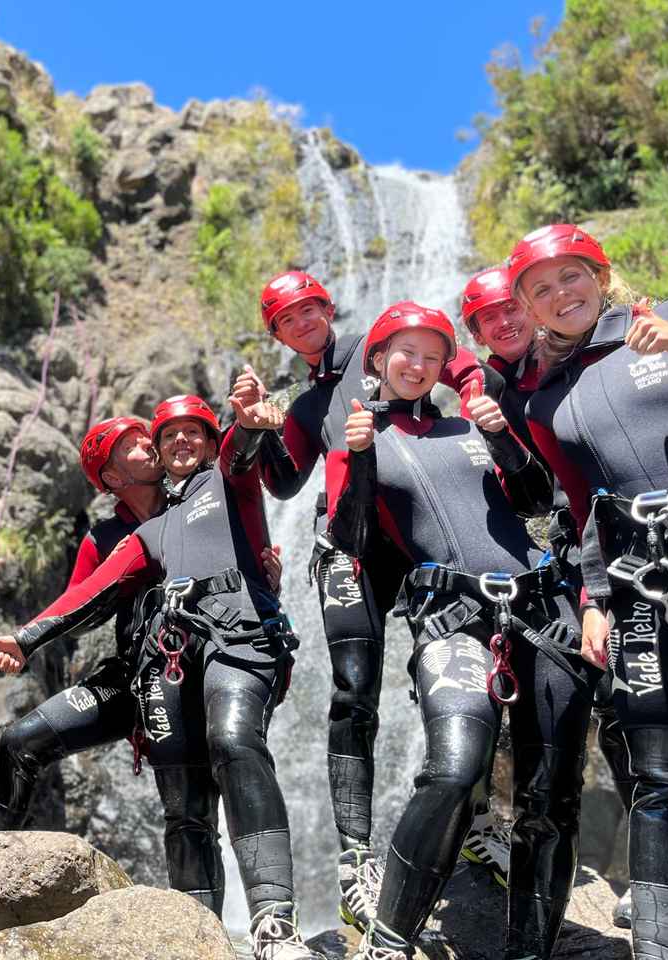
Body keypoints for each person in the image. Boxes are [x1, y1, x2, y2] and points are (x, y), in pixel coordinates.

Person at [0, 393, 321, 960]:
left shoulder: (219, 484)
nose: (159, 444)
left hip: (232, 643)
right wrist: (25, 638)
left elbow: (240, 458)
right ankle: (198, 937)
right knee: (183, 804)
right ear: (112, 474)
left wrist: (250, 426)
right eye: (155, 439)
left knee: (233, 741)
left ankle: (273, 924)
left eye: (180, 435)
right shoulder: (125, 536)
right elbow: (86, 595)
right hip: (149, 669)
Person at [329, 302, 592, 960]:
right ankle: (389, 942)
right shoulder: (361, 435)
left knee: (552, 799)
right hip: (453, 619)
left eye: (431, 354)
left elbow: (535, 499)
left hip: (541, 613)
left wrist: (502, 436)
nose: (418, 365)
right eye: (405, 352)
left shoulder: (468, 426)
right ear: (379, 359)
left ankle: (530, 951)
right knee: (451, 769)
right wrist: (359, 459)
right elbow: (350, 539)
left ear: (447, 365)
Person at [514, 223, 668, 960]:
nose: (560, 295)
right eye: (541, 289)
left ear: (601, 274)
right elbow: (586, 505)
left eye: (571, 276)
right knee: (660, 770)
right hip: (645, 577)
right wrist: (594, 598)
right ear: (530, 310)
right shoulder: (545, 402)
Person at [249, 271, 499, 931]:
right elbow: (281, 481)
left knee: (459, 676)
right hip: (348, 547)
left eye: (311, 310)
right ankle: (356, 861)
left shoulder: (384, 343)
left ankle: (474, 822)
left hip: (421, 538)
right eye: (287, 318)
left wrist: (473, 392)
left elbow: (458, 360)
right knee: (354, 692)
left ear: (329, 310)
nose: (303, 323)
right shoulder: (304, 403)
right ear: (275, 333)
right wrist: (258, 430)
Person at [459, 265, 640, 927]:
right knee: (548, 728)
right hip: (559, 561)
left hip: (626, 543)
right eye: (487, 319)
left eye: (511, 309)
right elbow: (531, 496)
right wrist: (499, 437)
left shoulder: (578, 348)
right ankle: (524, 903)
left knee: (633, 714)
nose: (504, 323)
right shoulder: (489, 390)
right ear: (476, 332)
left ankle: (659, 878)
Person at [0, 416, 165, 831]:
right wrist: (118, 571)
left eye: (147, 435)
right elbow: (77, 616)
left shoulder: (193, 503)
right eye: (135, 443)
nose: (152, 444)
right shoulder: (101, 539)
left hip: (195, 666)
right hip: (132, 673)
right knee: (19, 741)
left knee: (187, 805)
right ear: (113, 476)